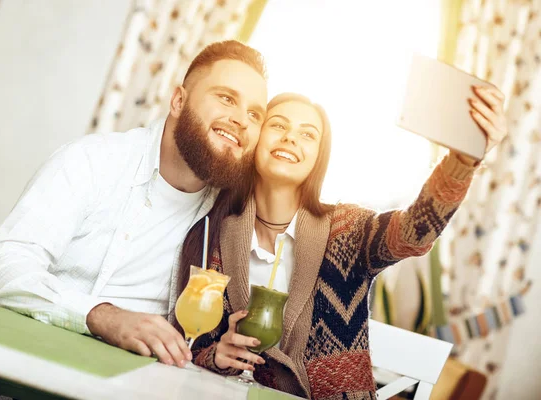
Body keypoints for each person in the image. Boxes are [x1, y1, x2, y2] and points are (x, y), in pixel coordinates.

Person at [180, 88, 508, 399]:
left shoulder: (346, 230)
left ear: (318, 158)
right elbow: (193, 344)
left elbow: (413, 233)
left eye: (308, 134)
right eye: (277, 125)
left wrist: (462, 161)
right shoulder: (215, 232)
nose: (290, 137)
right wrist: (215, 356)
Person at [0, 40, 268, 369]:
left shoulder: (229, 214)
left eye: (254, 114)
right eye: (226, 98)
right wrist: (103, 317)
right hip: (31, 364)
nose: (241, 119)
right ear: (178, 100)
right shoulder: (93, 161)